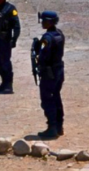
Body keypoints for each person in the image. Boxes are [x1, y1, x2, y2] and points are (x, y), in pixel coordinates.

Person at [35, 11, 65, 140]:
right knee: (56, 97)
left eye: (44, 20)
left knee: (47, 99)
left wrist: (37, 51)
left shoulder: (47, 38)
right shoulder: (59, 34)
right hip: (59, 70)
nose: (42, 22)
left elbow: (43, 56)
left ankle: (52, 128)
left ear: (49, 22)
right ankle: (59, 126)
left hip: (49, 72)